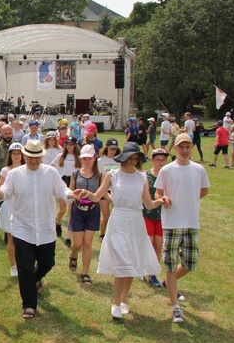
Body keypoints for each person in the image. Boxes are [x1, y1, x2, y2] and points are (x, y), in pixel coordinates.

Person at [0, 140, 76, 319]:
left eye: (37, 157)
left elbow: (62, 190)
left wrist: (71, 194)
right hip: (22, 228)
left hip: (45, 228)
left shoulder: (51, 173)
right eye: (31, 157)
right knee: (25, 268)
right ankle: (28, 304)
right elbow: (5, 193)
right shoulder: (15, 174)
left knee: (47, 263)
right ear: (25, 156)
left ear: (42, 156)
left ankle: (34, 278)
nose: (34, 161)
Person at [82, 142, 165, 320]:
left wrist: (161, 201)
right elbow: (97, 196)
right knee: (122, 264)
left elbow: (148, 204)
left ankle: (123, 300)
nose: (133, 162)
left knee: (131, 265)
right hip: (118, 221)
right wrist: (87, 194)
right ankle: (115, 303)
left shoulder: (141, 178)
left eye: (136, 159)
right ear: (123, 158)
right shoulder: (112, 175)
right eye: (130, 158)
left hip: (136, 222)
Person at [154, 133, 210, 323]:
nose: (184, 151)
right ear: (175, 148)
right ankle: (175, 307)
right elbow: (158, 192)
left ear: (192, 147)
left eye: (187, 147)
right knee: (170, 265)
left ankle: (169, 282)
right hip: (171, 223)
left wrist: (189, 201)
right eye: (181, 147)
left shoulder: (199, 169)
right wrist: (164, 199)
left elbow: (203, 190)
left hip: (191, 222)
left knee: (190, 263)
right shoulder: (167, 170)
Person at [67, 144, 102, 284]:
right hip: (78, 210)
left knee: (88, 243)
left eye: (89, 158)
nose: (87, 161)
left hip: (93, 210)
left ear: (94, 158)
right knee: (77, 243)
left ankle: (85, 272)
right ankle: (73, 254)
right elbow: (70, 192)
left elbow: (101, 194)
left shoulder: (100, 176)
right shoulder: (75, 174)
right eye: (84, 158)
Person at [0, 142, 24, 276]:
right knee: (11, 238)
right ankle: (13, 265)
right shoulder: (6, 170)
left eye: (19, 154)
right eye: (14, 154)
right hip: (10, 206)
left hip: (24, 206)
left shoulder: (26, 169)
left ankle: (24, 262)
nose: (16, 156)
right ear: (10, 155)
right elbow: (0, 187)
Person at [143, 147, 168, 288]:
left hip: (163, 216)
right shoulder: (146, 175)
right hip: (147, 214)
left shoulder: (169, 174)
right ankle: (142, 267)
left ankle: (152, 273)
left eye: (163, 159)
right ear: (152, 160)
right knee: (148, 243)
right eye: (157, 159)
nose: (160, 162)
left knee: (158, 245)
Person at [98, 139, 121, 239]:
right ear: (106, 148)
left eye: (115, 149)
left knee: (116, 215)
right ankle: (102, 234)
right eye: (111, 148)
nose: (113, 151)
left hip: (116, 189)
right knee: (106, 215)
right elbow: (98, 176)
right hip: (104, 190)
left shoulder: (119, 160)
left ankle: (114, 234)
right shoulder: (101, 160)